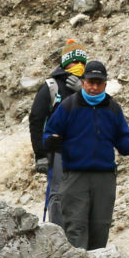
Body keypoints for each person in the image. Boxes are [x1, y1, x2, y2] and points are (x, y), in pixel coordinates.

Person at [43, 59, 129, 251]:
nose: (94, 87)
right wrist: (50, 141)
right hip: (74, 176)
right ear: (83, 82)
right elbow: (49, 133)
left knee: (101, 227)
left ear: (105, 85)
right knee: (75, 227)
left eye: (99, 83)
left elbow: (122, 142)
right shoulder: (68, 106)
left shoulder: (113, 108)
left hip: (104, 178)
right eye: (91, 82)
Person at [28, 40, 87, 226]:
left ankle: (78, 240)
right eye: (74, 62)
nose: (79, 66)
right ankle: (58, 235)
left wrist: (83, 93)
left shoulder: (90, 86)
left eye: (82, 63)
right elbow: (36, 119)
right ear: (65, 63)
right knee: (59, 193)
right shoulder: (51, 86)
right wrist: (40, 155)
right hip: (58, 149)